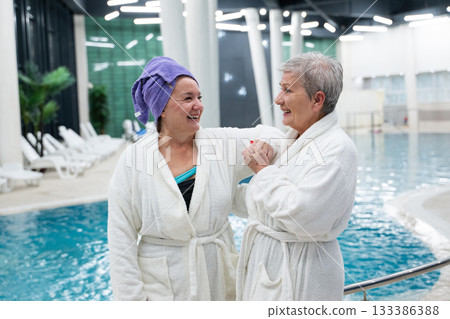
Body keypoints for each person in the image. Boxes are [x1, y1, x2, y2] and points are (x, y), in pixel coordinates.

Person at [107, 56, 281, 301]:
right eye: (188, 98)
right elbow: (120, 240)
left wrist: (265, 146)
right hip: (161, 290)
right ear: (162, 108)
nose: (198, 105)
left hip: (218, 282)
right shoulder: (133, 161)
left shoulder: (219, 144)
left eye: (199, 97)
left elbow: (273, 135)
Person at [234, 52, 358, 300]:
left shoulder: (337, 149)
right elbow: (264, 208)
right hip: (268, 264)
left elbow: (303, 216)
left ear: (317, 100)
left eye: (288, 90)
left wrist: (263, 170)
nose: (278, 99)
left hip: (303, 274)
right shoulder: (290, 142)